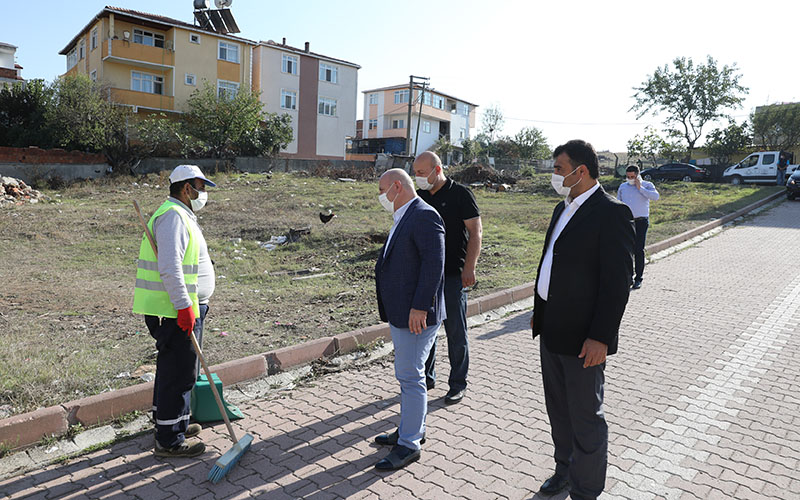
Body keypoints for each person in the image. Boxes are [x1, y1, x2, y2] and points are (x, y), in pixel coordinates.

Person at [530, 140, 634, 499]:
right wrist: (539, 312)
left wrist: (601, 338)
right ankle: (565, 470)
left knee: (586, 418)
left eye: (558, 169)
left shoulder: (612, 213)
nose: (554, 175)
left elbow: (617, 284)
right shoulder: (564, 208)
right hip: (552, 330)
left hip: (584, 339)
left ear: (581, 171)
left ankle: (586, 491)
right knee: (558, 411)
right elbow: (552, 261)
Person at [132, 164, 217, 458]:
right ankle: (169, 440)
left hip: (179, 309)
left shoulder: (180, 215)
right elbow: (170, 268)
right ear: (186, 188)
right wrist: (184, 307)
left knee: (176, 370)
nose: (203, 193)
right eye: (200, 187)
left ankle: (172, 422)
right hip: (174, 311)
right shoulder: (173, 217)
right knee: (179, 374)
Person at [373, 168, 446, 470]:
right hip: (402, 312)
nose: (379, 196)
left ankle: (409, 444)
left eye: (381, 190)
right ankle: (410, 428)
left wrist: (420, 306)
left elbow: (434, 264)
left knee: (411, 376)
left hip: (415, 315)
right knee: (406, 375)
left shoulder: (424, 215)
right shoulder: (405, 214)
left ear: (397, 186)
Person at [413, 151, 482, 405]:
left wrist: (470, 268)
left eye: (422, 173)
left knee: (455, 331)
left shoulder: (461, 194)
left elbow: (475, 232)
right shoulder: (419, 196)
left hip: (453, 275)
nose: (418, 178)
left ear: (437, 169)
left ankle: (457, 383)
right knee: (424, 329)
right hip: (425, 277)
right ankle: (427, 377)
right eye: (415, 173)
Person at [616, 165, 659, 290]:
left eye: (632, 177)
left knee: (638, 249)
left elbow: (656, 197)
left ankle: (638, 278)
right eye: (628, 177)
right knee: (627, 249)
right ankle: (628, 276)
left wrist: (640, 188)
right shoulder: (623, 187)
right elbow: (619, 203)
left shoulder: (647, 185)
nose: (630, 179)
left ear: (638, 175)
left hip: (641, 222)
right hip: (627, 222)